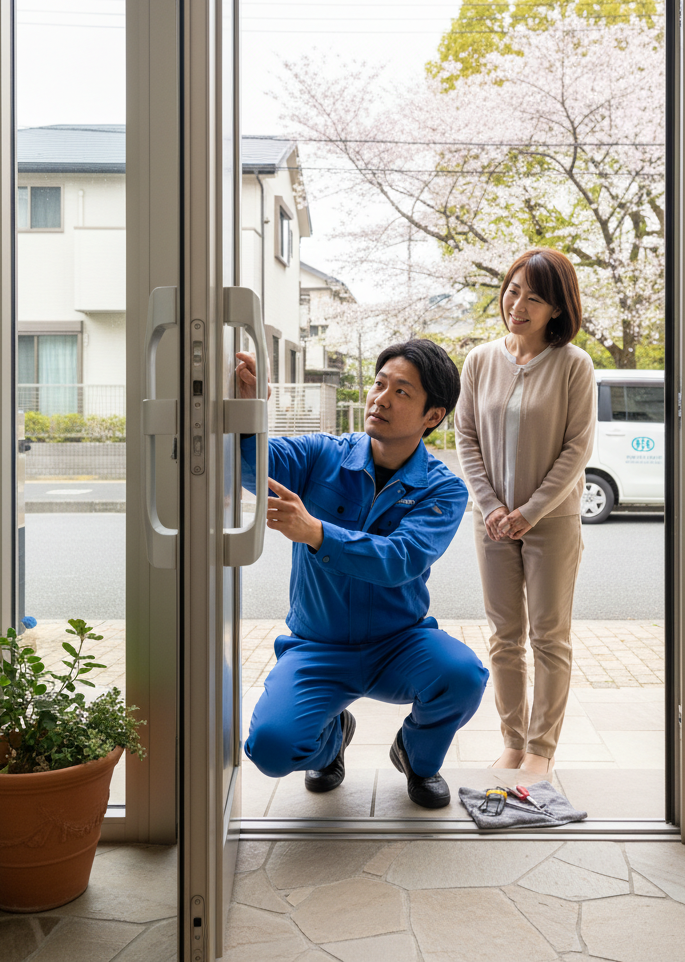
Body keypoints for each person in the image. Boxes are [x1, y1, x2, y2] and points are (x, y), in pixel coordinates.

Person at [236, 339, 488, 808]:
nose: (381, 398)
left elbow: (402, 558)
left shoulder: (443, 488)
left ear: (433, 416)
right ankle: (332, 737)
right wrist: (250, 412)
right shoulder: (321, 455)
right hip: (318, 645)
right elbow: (252, 467)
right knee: (270, 749)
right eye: (379, 384)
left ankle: (416, 757)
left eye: (402, 391)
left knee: (464, 675)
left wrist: (316, 532)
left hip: (399, 644)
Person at [455, 248, 595, 776]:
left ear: (557, 309)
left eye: (534, 298)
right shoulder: (480, 360)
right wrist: (491, 506)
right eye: (514, 290)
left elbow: (577, 448)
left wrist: (531, 512)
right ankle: (512, 740)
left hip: (551, 522)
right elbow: (465, 437)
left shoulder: (573, 365)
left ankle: (541, 749)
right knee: (503, 636)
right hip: (490, 521)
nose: (518, 304)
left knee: (549, 636)